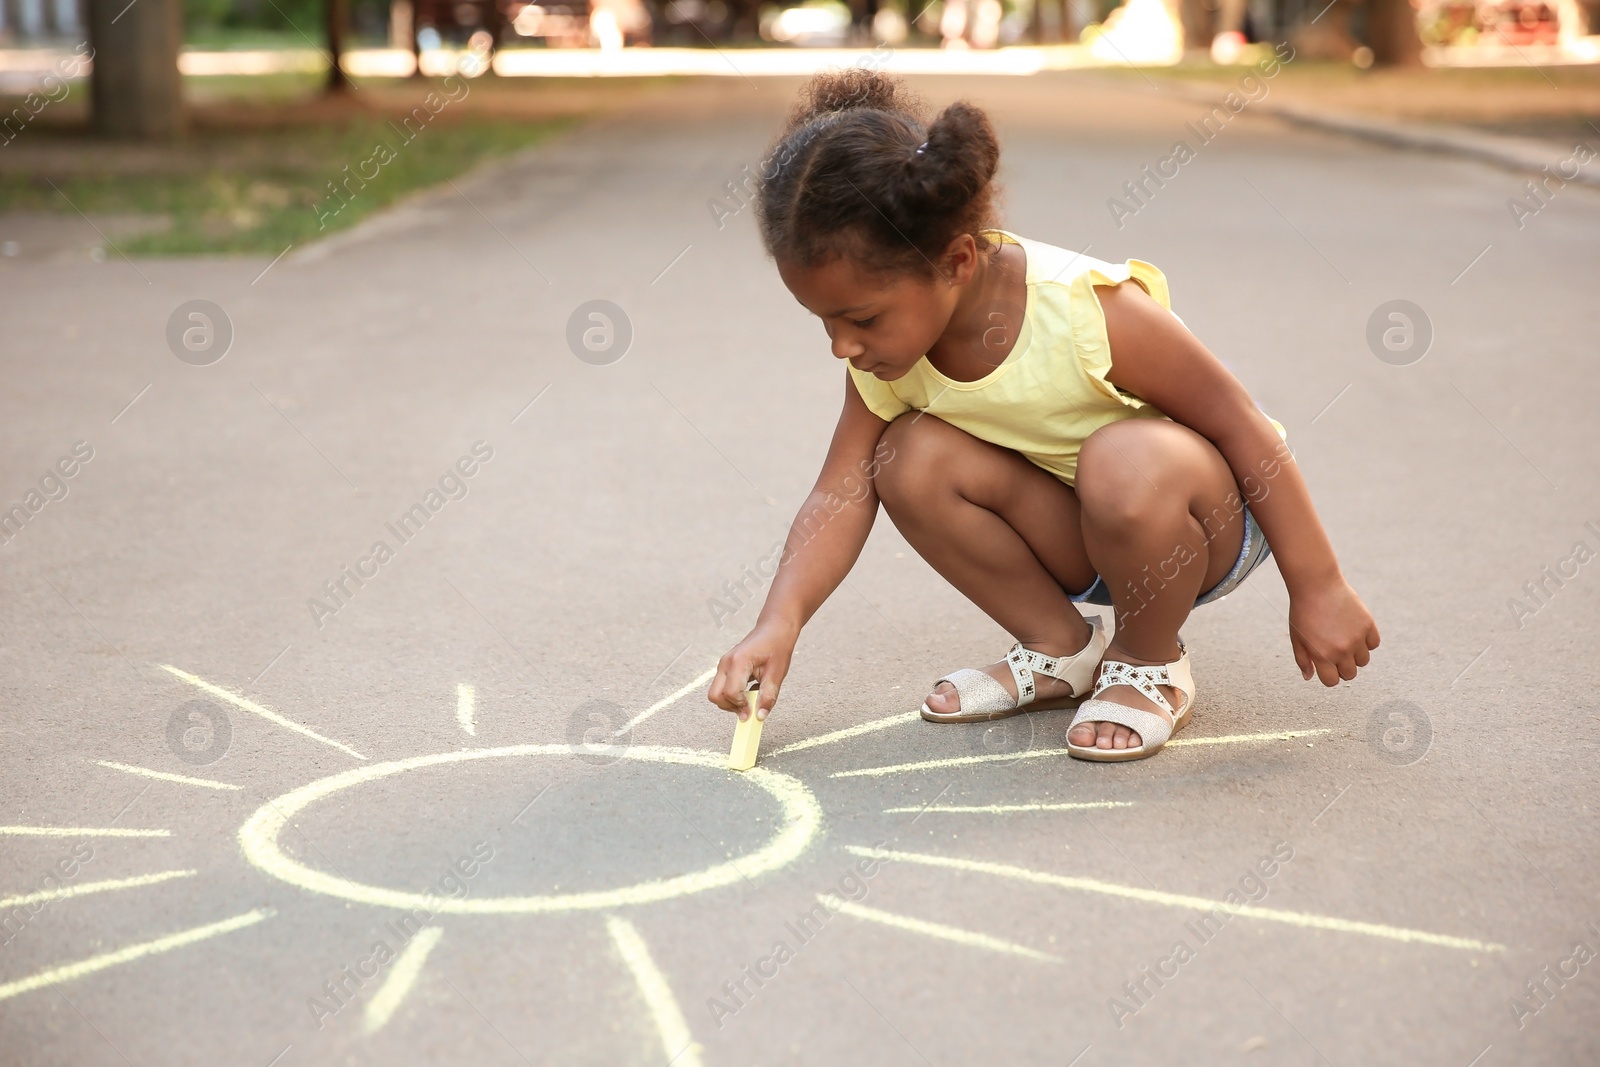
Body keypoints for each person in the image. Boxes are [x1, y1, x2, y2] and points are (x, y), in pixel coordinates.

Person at [706, 69, 1379, 762]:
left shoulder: (1085, 310)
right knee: (904, 457)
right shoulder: (888, 361)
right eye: (823, 320)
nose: (842, 346)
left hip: (1204, 523)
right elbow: (836, 495)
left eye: (861, 318)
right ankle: (1062, 649)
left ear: (957, 259)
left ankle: (1150, 661)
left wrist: (1318, 584)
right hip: (1085, 531)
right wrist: (777, 623)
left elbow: (1244, 426)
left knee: (1123, 459)